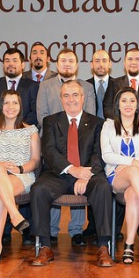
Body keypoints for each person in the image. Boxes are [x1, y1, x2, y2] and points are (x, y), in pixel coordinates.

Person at [30, 81, 114, 267]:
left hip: (88, 173)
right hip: (59, 174)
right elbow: (49, 151)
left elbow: (99, 153)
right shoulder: (51, 121)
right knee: (39, 189)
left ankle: (103, 247)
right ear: (61, 99)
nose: (71, 99)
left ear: (83, 97)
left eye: (75, 95)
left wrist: (85, 175)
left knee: (103, 188)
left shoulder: (97, 123)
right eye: (66, 96)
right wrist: (72, 170)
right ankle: (44, 247)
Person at [36, 48, 97, 245]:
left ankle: (76, 230)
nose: (67, 64)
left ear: (77, 65)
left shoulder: (86, 87)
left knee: (79, 181)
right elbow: (42, 115)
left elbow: (91, 115)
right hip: (55, 142)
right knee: (53, 181)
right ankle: (52, 230)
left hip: (81, 145)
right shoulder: (46, 86)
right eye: (63, 60)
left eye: (71, 61)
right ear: (56, 64)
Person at [101, 87, 139, 265]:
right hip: (117, 175)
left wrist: (133, 164)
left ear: (137, 105)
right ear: (117, 105)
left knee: (133, 195)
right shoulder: (107, 126)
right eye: (124, 101)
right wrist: (133, 163)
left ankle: (129, 245)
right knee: (133, 171)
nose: (128, 104)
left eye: (132, 101)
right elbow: (106, 155)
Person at [0, 90, 40, 264]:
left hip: (19, 175)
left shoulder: (31, 130)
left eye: (15, 103)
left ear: (20, 107)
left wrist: (20, 168)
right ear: (1, 106)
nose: (10, 107)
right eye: (6, 103)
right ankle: (14, 214)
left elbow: (35, 160)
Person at [0, 47, 39, 129]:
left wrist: (19, 128)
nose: (10, 64)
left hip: (24, 134)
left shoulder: (33, 86)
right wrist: (0, 128)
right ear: (3, 65)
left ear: (23, 65)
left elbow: (34, 112)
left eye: (15, 60)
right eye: (7, 61)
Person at [86, 49, 113, 120]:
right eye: (97, 61)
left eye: (104, 61)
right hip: (90, 128)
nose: (101, 64)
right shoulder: (85, 85)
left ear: (110, 64)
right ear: (91, 64)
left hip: (113, 128)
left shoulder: (118, 85)